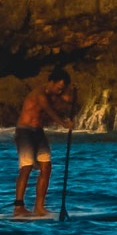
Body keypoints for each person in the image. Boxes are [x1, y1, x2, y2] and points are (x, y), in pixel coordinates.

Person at [14, 66, 76, 215]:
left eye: (63, 88)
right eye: (59, 87)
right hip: (24, 132)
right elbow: (49, 110)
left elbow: (68, 99)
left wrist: (72, 94)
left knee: (46, 167)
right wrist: (64, 124)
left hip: (38, 133)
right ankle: (18, 207)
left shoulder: (54, 93)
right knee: (26, 167)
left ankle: (39, 207)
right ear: (51, 82)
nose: (60, 91)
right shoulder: (40, 94)